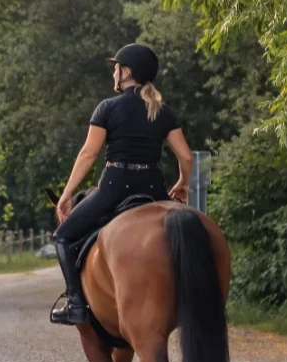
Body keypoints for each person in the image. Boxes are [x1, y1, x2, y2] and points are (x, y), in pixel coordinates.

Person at [50, 43, 195, 325]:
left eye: (116, 68)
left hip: (115, 187)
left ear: (126, 73)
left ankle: (76, 304)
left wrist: (67, 194)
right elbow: (186, 156)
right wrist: (183, 184)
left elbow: (89, 153)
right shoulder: (162, 111)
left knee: (64, 237)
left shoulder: (108, 108)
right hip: (153, 189)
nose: (113, 73)